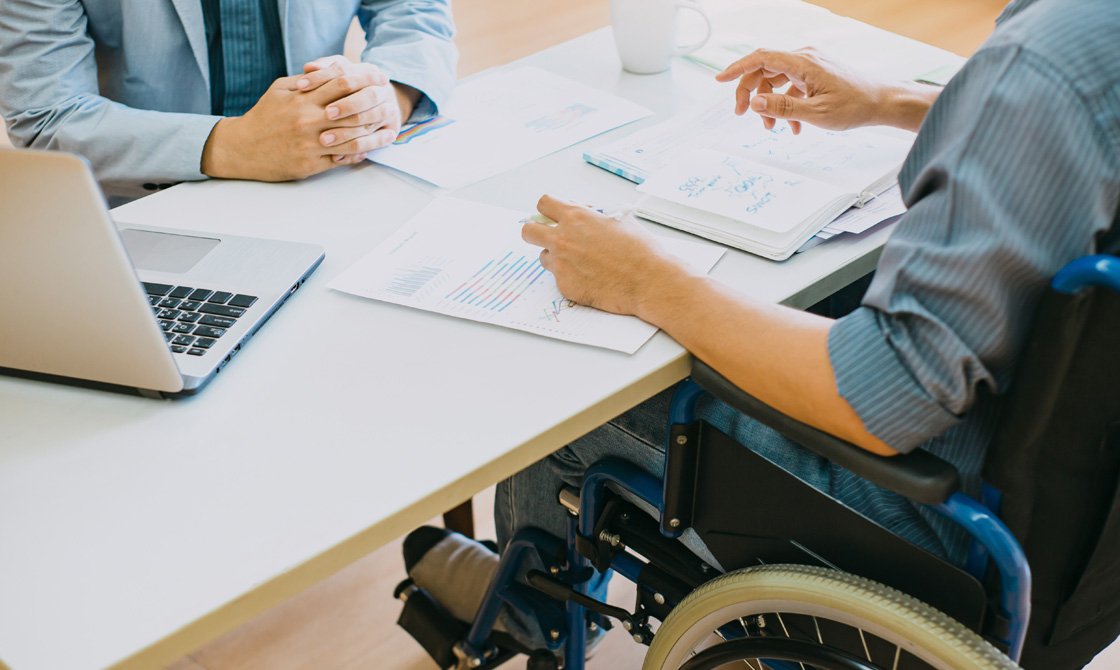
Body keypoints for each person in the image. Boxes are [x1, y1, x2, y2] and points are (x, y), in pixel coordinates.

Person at [401, 0, 1120, 654]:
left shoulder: (1047, 65)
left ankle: (526, 615)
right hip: (1082, 530)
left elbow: (878, 398)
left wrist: (648, 281)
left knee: (588, 374)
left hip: (935, 524)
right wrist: (895, 102)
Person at [0, 0, 456, 204]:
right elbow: (47, 117)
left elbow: (413, 11)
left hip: (330, 182)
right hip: (148, 210)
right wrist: (237, 145)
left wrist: (384, 101)